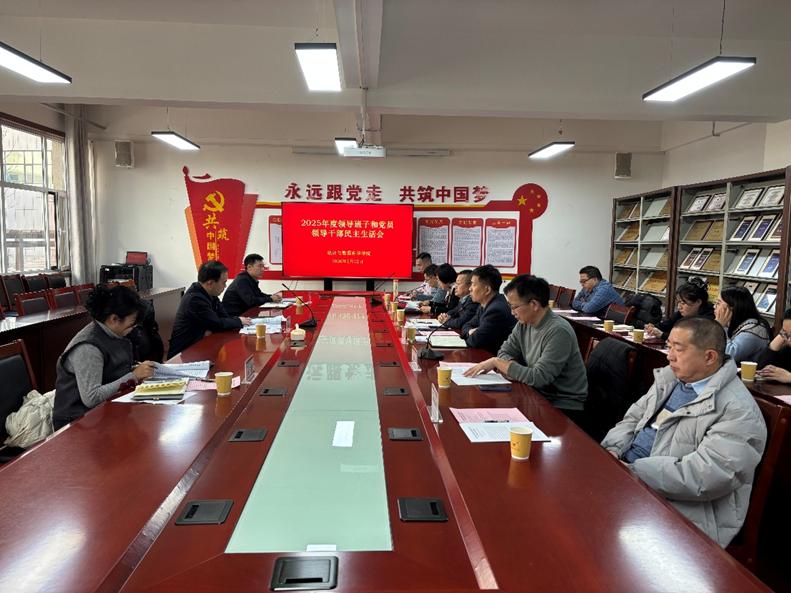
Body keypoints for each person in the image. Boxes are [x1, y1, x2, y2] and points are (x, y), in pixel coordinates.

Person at [601, 317, 766, 547]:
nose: (669, 356)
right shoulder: (671, 379)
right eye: (669, 346)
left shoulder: (739, 410)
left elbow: (705, 475)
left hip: (680, 507)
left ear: (709, 357)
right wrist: (612, 450)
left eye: (678, 349)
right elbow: (632, 418)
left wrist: (632, 471)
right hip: (630, 478)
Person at [463, 274, 587, 411]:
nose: (512, 313)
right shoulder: (524, 323)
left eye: (514, 307)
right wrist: (511, 368)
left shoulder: (558, 331)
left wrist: (498, 363)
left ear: (534, 304)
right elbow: (504, 351)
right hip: (534, 393)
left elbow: (539, 378)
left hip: (561, 404)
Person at [53, 284, 157, 429]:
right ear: (114, 319)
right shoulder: (88, 348)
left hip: (103, 411)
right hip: (76, 421)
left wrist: (136, 369)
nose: (133, 329)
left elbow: (112, 369)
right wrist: (133, 376)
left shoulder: (112, 332)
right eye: (131, 324)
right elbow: (92, 397)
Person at [168, 260, 252, 358]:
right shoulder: (194, 299)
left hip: (201, 347)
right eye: (223, 283)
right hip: (183, 354)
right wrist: (239, 321)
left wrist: (218, 326)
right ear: (210, 283)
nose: (225, 286)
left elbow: (224, 318)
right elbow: (217, 324)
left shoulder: (210, 294)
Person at [461, 264, 516, 354]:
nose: (470, 288)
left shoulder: (496, 310)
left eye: (473, 284)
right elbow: (466, 325)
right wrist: (470, 331)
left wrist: (472, 333)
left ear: (487, 290)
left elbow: (475, 341)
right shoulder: (484, 304)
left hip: (495, 358)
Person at [714, 286, 770, 364]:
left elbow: (730, 355)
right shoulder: (731, 324)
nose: (714, 307)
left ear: (732, 307)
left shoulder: (754, 328)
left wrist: (719, 327)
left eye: (718, 303)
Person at [645, 277, 714, 340]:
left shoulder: (708, 320)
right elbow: (665, 325)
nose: (679, 307)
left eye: (683, 303)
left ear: (698, 302)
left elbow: (688, 340)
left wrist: (662, 335)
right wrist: (653, 327)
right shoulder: (682, 313)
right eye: (678, 302)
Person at [756, 308, 791, 382]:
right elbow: (762, 370)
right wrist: (783, 334)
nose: (789, 340)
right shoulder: (788, 350)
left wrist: (788, 377)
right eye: (786, 334)